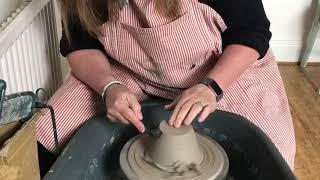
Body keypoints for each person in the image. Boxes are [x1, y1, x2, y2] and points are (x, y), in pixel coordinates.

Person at [36, 0, 295, 175]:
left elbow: (251, 32)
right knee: (47, 130)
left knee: (270, 156)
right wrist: (108, 87)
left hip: (221, 70)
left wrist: (211, 86)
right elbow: (79, 46)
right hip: (132, 69)